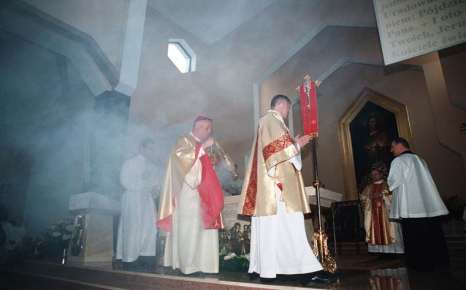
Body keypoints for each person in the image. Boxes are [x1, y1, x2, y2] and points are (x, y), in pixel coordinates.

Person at [238, 94, 329, 283]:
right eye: (287, 108)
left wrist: (293, 143)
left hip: (275, 186)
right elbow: (273, 151)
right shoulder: (270, 119)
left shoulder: (273, 122)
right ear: (281, 105)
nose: (288, 112)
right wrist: (297, 144)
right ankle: (300, 269)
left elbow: (279, 149)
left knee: (279, 228)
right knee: (287, 226)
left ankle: (271, 268)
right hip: (276, 187)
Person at [157, 116, 225, 275]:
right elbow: (181, 163)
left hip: (203, 193)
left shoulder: (201, 145)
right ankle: (188, 265)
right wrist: (202, 149)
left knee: (203, 229)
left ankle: (204, 264)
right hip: (189, 193)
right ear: (198, 127)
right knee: (190, 228)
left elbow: (207, 168)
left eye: (210, 128)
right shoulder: (184, 140)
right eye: (208, 128)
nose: (210, 132)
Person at [387, 137, 449, 271]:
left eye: (392, 147)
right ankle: (439, 262)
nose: (391, 150)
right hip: (427, 206)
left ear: (399, 145)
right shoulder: (421, 160)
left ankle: (419, 265)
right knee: (433, 234)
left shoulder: (398, 161)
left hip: (411, 207)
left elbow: (393, 182)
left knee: (415, 237)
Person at [116, 138, 161, 271]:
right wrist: (144, 183)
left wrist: (155, 189)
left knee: (148, 229)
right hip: (133, 198)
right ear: (142, 148)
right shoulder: (130, 163)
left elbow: (156, 185)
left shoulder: (152, 166)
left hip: (147, 200)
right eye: (150, 148)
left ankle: (145, 257)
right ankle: (130, 259)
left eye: (153, 149)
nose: (152, 152)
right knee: (133, 228)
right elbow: (125, 181)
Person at [360, 163, 404, 255]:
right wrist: (369, 198)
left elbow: (394, 197)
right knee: (374, 231)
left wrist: (383, 196)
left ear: (381, 174)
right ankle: (380, 251)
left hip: (386, 213)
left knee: (389, 230)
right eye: (372, 175)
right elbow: (363, 199)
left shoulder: (388, 185)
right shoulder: (368, 187)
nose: (374, 176)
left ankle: (393, 251)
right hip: (373, 214)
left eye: (376, 174)